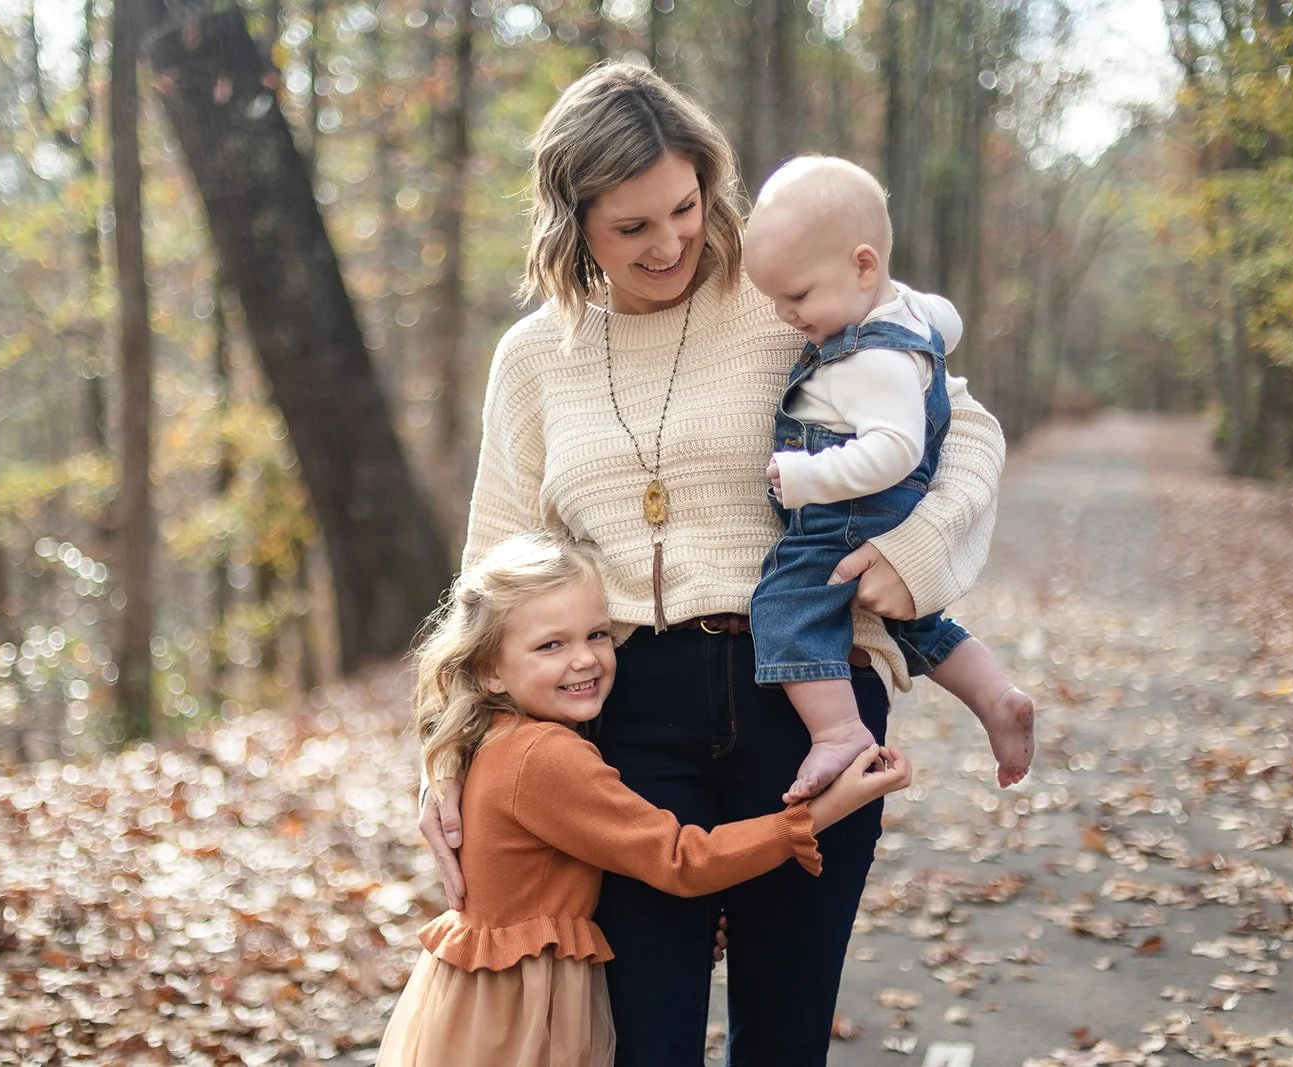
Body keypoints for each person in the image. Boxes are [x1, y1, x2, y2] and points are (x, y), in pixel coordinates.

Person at [419, 63, 1006, 1066]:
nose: (669, 242)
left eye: (684, 208)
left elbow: (968, 429)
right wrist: (444, 756)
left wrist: (910, 554)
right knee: (645, 1040)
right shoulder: (532, 356)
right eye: (630, 226)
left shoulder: (788, 292)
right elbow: (492, 566)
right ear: (573, 228)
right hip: (620, 719)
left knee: (781, 1036)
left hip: (805, 694)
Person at [381, 534, 912, 1066]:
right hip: (525, 1013)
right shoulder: (544, 756)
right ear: (491, 669)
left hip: (494, 996)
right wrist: (820, 813)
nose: (584, 660)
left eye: (597, 634)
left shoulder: (495, 738)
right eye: (551, 645)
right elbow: (680, 859)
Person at [741, 155, 1036, 800]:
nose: (788, 317)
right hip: (883, 512)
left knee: (786, 602)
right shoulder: (908, 312)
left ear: (864, 264)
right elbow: (949, 322)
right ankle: (995, 695)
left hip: (852, 510)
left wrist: (806, 476)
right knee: (915, 624)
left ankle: (838, 731)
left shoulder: (870, 361)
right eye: (775, 300)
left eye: (798, 297)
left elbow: (896, 450)